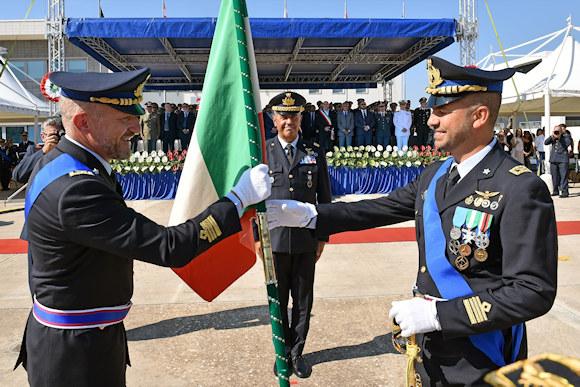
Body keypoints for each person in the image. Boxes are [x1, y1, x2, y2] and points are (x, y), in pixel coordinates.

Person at [266, 56, 556, 385]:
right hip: (430, 355)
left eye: (442, 111)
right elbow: (378, 208)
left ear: (479, 116)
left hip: (481, 361)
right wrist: (311, 215)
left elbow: (532, 291)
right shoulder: (435, 175)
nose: (431, 121)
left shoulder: (519, 187)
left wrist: (439, 315)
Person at [15, 68, 272, 387]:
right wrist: (237, 199)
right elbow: (171, 247)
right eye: (124, 119)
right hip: (76, 357)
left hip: (81, 337)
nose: (137, 128)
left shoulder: (64, 166)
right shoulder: (77, 189)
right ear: (83, 123)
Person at [254, 91, 331, 379]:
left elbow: (324, 198)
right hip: (273, 241)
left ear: (301, 119)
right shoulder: (264, 152)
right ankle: (281, 353)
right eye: (283, 116)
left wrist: (323, 237)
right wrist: (256, 238)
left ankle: (297, 353)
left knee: (303, 301)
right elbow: (255, 201)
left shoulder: (313, 151)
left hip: (305, 240)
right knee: (278, 300)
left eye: (294, 116)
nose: (289, 121)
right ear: (274, 119)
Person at [12, 117, 64, 184]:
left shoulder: (69, 150)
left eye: (60, 135)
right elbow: (18, 175)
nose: (57, 138)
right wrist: (43, 151)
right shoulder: (35, 150)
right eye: (53, 135)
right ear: (43, 137)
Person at [545, 123, 572, 198]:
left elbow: (567, 143)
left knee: (563, 176)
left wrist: (560, 136)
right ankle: (555, 190)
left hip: (563, 159)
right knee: (554, 176)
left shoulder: (566, 136)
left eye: (559, 130)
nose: (557, 132)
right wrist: (552, 135)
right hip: (553, 159)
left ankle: (564, 192)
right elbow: (546, 142)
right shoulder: (553, 137)